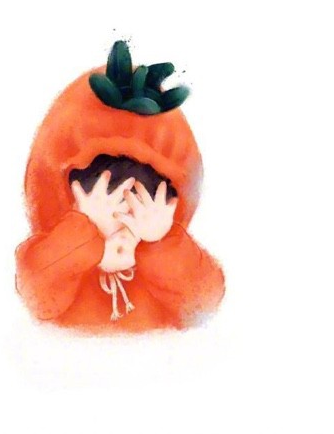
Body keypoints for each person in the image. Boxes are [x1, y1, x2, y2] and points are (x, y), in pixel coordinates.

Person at [15, 41, 225, 333]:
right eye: (107, 219)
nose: (122, 236)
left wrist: (161, 243)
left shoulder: (164, 270)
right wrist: (82, 233)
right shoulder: (54, 265)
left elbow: (204, 303)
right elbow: (36, 293)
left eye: (136, 219)